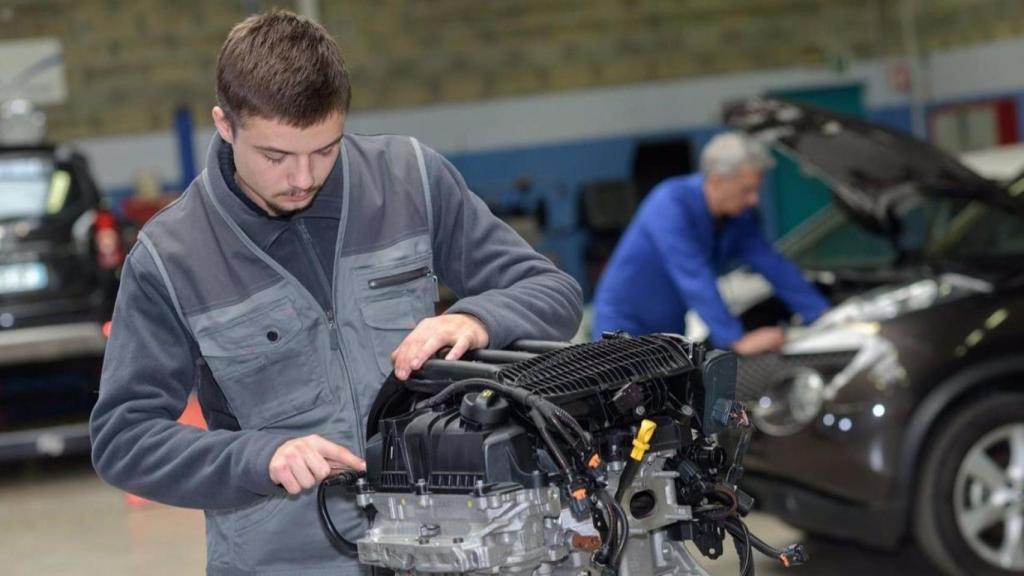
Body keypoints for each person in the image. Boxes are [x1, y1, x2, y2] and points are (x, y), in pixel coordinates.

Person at [90, 10, 581, 575]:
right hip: (282, 563)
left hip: (439, 548)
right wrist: (258, 458)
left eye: (325, 149)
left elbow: (552, 291)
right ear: (225, 125)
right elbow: (123, 439)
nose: (303, 178)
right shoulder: (172, 256)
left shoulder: (409, 180)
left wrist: (477, 319)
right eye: (275, 156)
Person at [591, 132, 828, 355]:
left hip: (670, 328)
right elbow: (694, 276)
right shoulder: (670, 204)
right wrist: (735, 340)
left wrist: (821, 314)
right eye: (747, 190)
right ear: (716, 181)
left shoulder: (739, 218)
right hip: (622, 326)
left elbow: (772, 263)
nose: (754, 199)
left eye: (757, 190)